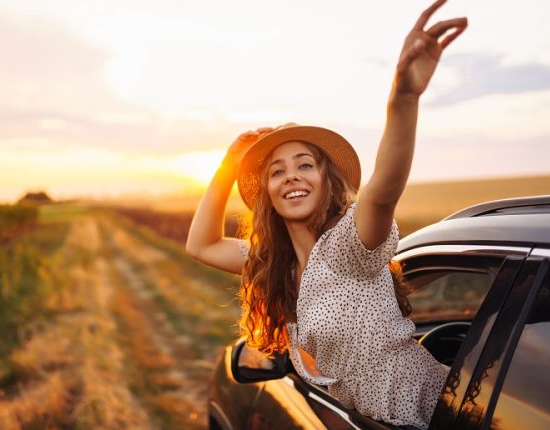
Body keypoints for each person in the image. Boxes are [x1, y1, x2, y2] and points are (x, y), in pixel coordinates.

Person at [185, 0, 467, 428]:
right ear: (269, 196)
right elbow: (200, 245)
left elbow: (383, 190)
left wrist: (403, 97)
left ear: (326, 179)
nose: (291, 177)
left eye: (304, 164)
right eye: (277, 172)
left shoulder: (351, 247)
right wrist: (228, 164)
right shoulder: (271, 263)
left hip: (428, 417)